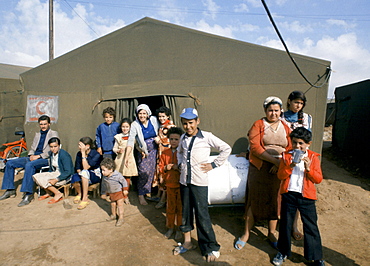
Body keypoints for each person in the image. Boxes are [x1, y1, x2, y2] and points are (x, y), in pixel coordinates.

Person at [174, 108, 231, 262]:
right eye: (185, 123)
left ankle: (210, 247)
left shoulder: (207, 137)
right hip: (184, 181)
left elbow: (226, 148)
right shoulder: (183, 138)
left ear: (197, 121)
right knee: (185, 212)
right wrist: (180, 164)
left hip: (199, 183)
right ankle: (187, 242)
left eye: (191, 123)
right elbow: (179, 152)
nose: (188, 126)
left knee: (201, 214)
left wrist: (214, 164)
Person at [235, 96, 292, 250]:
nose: (273, 113)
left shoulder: (285, 127)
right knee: (255, 198)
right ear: (265, 111)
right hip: (260, 167)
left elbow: (290, 148)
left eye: (276, 110)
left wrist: (281, 163)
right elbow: (255, 147)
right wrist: (274, 162)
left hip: (279, 167)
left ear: (281, 111)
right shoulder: (258, 124)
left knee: (275, 199)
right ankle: (246, 233)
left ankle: (271, 232)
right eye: (270, 110)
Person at [272, 127, 324, 266]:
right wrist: (290, 165)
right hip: (289, 194)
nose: (297, 146)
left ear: (308, 144)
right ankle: (283, 251)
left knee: (311, 226)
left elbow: (318, 179)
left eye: (301, 143)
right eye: (294, 142)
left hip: (306, 197)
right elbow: (280, 176)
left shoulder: (313, 157)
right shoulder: (287, 156)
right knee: (285, 224)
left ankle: (316, 257)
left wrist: (309, 169)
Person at [0, 115, 59, 207]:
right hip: (33, 157)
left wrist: (38, 156)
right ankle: (10, 190)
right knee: (10, 163)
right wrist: (31, 155)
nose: (43, 126)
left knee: (29, 165)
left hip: (45, 159)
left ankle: (28, 194)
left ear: (49, 124)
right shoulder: (37, 134)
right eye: (41, 124)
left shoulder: (53, 134)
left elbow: (52, 150)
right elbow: (32, 148)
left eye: (45, 124)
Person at [282, 90, 313, 241]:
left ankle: (294, 226)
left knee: (298, 191)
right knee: (284, 193)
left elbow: (307, 137)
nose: (298, 106)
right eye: (296, 102)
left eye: (301, 103)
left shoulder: (307, 118)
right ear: (289, 101)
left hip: (300, 157)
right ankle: (280, 225)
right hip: (285, 156)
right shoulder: (281, 116)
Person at [125, 104, 160, 206]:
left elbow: (162, 129)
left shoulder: (153, 120)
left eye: (144, 113)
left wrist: (159, 138)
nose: (142, 115)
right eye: (140, 113)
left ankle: (147, 191)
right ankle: (141, 194)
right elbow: (131, 141)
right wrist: (127, 156)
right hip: (143, 151)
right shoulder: (135, 125)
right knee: (143, 171)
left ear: (148, 114)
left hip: (155, 150)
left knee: (152, 171)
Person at [158, 127, 183, 240]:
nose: (173, 141)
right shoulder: (165, 152)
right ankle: (170, 227)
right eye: (171, 139)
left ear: (181, 140)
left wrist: (177, 168)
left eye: (176, 139)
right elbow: (160, 167)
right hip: (170, 185)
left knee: (180, 209)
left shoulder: (182, 153)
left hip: (181, 185)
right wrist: (165, 168)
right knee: (170, 208)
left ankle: (179, 229)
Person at [33, 137, 74, 204]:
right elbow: (52, 168)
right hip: (55, 172)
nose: (53, 148)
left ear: (59, 146)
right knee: (36, 176)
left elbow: (68, 171)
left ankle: (58, 194)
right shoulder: (52, 154)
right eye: (51, 147)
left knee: (45, 180)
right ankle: (49, 192)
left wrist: (56, 179)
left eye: (55, 146)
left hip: (64, 175)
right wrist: (47, 175)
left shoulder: (64, 155)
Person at [151, 106, 175, 209]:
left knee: (165, 174)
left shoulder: (170, 126)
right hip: (161, 153)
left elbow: (172, 141)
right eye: (160, 116)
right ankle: (158, 195)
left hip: (167, 154)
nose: (161, 118)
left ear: (168, 116)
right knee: (160, 172)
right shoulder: (162, 126)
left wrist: (159, 141)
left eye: (163, 116)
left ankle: (163, 199)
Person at [71, 137, 102, 210]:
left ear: (87, 146)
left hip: (94, 174)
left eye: (80, 145)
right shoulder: (78, 154)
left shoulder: (96, 154)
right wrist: (80, 174)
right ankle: (80, 193)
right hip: (83, 174)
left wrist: (83, 154)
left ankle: (85, 198)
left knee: (84, 172)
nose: (79, 147)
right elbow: (78, 168)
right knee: (74, 177)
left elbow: (86, 167)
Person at [113, 118, 137, 204]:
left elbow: (137, 146)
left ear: (130, 127)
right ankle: (119, 195)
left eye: (127, 127)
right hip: (120, 160)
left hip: (129, 159)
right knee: (119, 178)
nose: (125, 128)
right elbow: (114, 148)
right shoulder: (118, 137)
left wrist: (142, 152)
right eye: (123, 126)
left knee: (127, 178)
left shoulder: (133, 136)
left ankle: (126, 195)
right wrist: (118, 151)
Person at [101, 158, 128, 227]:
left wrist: (125, 189)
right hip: (111, 193)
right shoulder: (105, 177)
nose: (102, 172)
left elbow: (124, 181)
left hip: (119, 192)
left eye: (104, 170)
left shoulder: (117, 175)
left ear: (110, 170)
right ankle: (113, 215)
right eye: (102, 170)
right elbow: (104, 185)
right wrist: (104, 193)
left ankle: (121, 218)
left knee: (120, 205)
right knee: (113, 205)